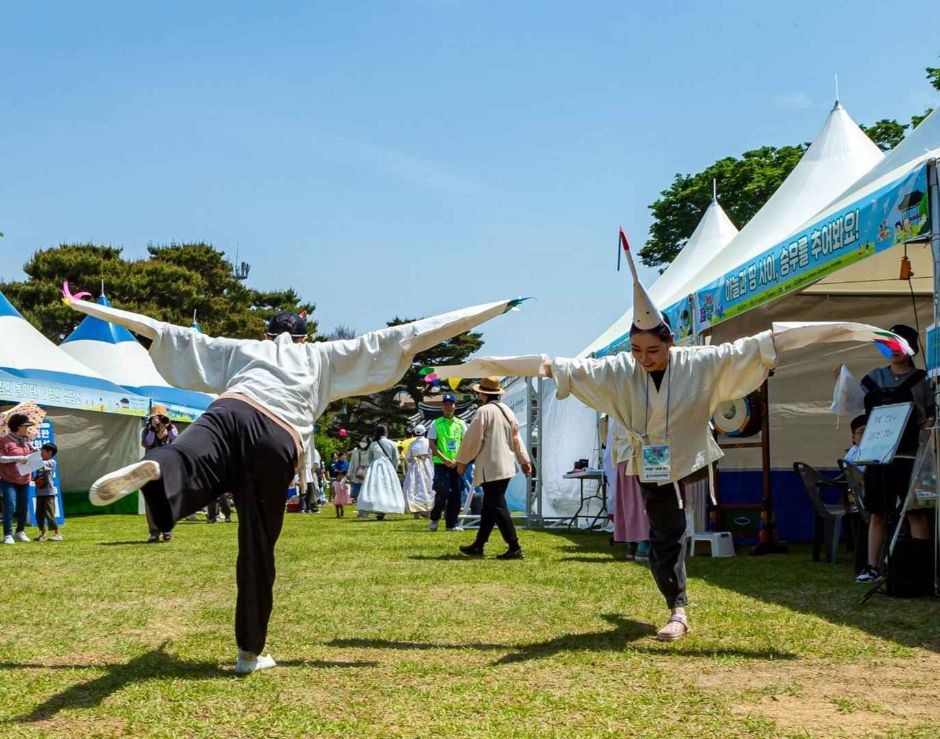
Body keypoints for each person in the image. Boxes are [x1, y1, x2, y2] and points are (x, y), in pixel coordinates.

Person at [433, 235, 914, 641]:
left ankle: (677, 586)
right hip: (649, 461)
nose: (644, 358)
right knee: (667, 532)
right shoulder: (618, 370)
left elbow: (775, 341)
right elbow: (547, 364)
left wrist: (856, 331)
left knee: (678, 522)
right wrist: (470, 366)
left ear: (670, 342)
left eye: (652, 349)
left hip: (690, 453)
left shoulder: (701, 363)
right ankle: (677, 607)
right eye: (637, 349)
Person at [62, 283, 520, 672]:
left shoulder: (243, 349)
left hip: (230, 409)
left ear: (268, 334)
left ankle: (160, 472)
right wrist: (493, 309)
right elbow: (410, 334)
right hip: (279, 434)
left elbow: (163, 331)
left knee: (184, 454)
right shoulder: (322, 355)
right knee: (257, 542)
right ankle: (248, 652)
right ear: (303, 337)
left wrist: (90, 308)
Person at [855, 324, 934, 584]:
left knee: (914, 511)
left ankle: (923, 568)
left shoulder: (924, 380)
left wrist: (929, 423)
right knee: (877, 512)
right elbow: (856, 410)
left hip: (912, 457)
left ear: (912, 347)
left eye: (900, 344)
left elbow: (931, 414)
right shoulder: (871, 379)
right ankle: (871, 566)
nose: (895, 350)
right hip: (878, 456)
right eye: (889, 345)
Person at [455, 377, 532, 559]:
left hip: (491, 466)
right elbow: (517, 440)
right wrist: (524, 460)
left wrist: (462, 461)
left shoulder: (483, 412)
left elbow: (473, 439)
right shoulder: (507, 411)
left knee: (497, 505)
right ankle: (478, 545)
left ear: (483, 393)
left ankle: (514, 546)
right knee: (489, 507)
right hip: (506, 465)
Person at [427, 394, 467, 532]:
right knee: (442, 491)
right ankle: (435, 516)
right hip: (441, 463)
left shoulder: (461, 424)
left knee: (456, 493)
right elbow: (432, 443)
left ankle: (452, 524)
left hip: (457, 463)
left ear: (455, 406)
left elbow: (465, 443)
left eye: (451, 404)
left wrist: (458, 460)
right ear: (442, 407)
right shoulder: (435, 423)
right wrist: (444, 459)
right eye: (445, 404)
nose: (448, 406)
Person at [141, 404, 177, 542]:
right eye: (156, 417)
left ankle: (167, 529)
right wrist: (152, 428)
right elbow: (147, 443)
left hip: (166, 467)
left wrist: (167, 427)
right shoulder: (146, 430)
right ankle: (154, 531)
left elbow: (176, 441)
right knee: (150, 500)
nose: (159, 420)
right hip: (150, 468)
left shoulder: (171, 428)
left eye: (162, 417)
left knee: (166, 499)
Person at [0, 413, 37, 544]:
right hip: (8, 479)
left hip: (25, 478)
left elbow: (30, 455)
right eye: (25, 426)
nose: (28, 428)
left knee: (23, 506)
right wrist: (17, 458)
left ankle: (20, 532)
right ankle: (7, 535)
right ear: (17, 426)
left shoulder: (26, 440)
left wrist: (34, 453)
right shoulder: (4, 440)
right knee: (10, 505)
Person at [357, 425, 403, 519]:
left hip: (375, 466)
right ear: (386, 432)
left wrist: (371, 467)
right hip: (388, 466)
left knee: (375, 487)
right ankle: (386, 507)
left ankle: (376, 507)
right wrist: (394, 468)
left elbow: (369, 458)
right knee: (387, 487)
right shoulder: (391, 443)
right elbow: (396, 458)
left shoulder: (373, 444)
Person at [402, 425, 435, 514]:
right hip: (426, 464)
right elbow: (431, 454)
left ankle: (415, 510)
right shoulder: (428, 442)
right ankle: (428, 508)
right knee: (428, 485)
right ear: (424, 432)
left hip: (415, 465)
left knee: (414, 486)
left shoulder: (412, 443)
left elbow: (408, 457)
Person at [34, 442, 63, 541]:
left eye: (43, 451)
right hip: (39, 492)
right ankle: (43, 534)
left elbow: (42, 464)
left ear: (49, 452)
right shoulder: (40, 462)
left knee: (49, 514)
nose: (41, 452)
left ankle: (58, 533)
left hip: (49, 493)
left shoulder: (51, 462)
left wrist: (34, 456)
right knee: (39, 514)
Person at [348, 438, 370, 505]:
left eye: (365, 441)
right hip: (356, 473)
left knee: (366, 491)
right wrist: (349, 473)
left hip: (367, 473)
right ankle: (360, 504)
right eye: (361, 441)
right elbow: (352, 462)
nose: (363, 443)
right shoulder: (355, 450)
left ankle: (364, 505)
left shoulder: (370, 450)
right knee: (356, 491)